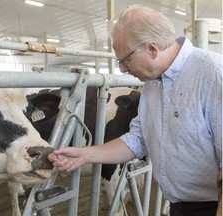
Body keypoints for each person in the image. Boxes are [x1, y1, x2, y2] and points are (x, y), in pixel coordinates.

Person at [48, 5, 222, 216]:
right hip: (180, 206)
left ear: (152, 49)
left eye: (125, 60)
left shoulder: (213, 73)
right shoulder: (152, 85)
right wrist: (84, 154)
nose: (122, 69)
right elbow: (139, 140)